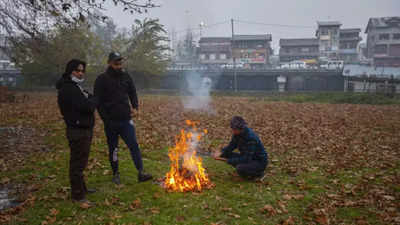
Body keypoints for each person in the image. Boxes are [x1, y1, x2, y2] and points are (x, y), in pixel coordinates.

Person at [94, 52, 152, 185]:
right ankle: (116, 174)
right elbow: (98, 101)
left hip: (126, 120)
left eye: (120, 62)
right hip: (111, 122)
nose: (119, 65)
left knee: (134, 145)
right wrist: (105, 119)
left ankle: (141, 172)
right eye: (116, 63)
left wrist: (135, 107)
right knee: (113, 149)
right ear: (109, 63)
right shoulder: (101, 79)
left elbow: (132, 92)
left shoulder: (126, 76)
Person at [56, 59, 98, 204]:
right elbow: (88, 106)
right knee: (77, 164)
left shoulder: (76, 87)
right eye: (77, 70)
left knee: (81, 161)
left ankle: (82, 188)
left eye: (82, 71)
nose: (80, 73)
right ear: (70, 71)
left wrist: (91, 100)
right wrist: (92, 101)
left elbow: (90, 99)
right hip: (77, 130)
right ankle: (78, 196)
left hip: (83, 129)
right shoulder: (69, 89)